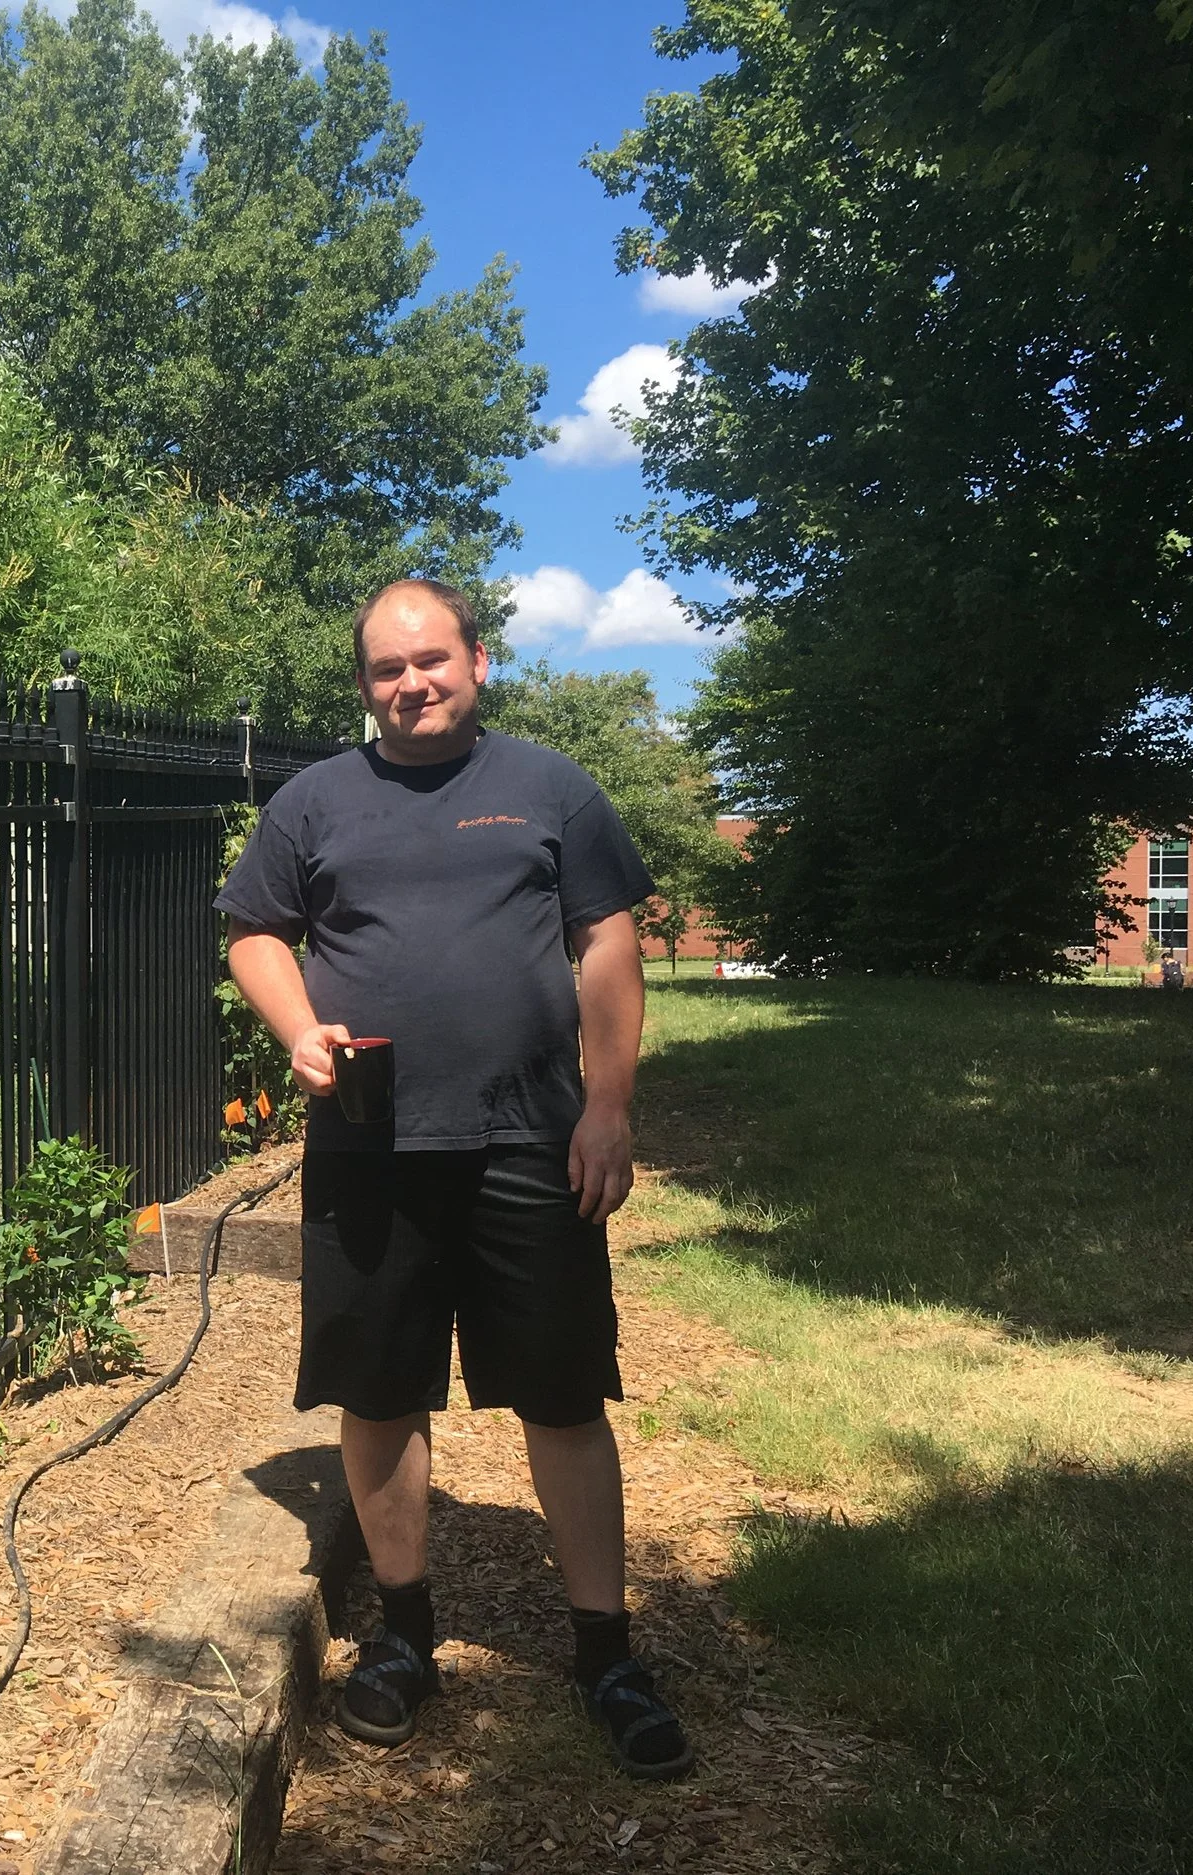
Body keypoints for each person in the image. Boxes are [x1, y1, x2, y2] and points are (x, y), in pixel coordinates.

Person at [216, 577, 692, 1779]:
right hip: (367, 1148)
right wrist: (296, 1028)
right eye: (386, 668)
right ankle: (402, 1635)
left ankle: (605, 1655)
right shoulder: (313, 801)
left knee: (563, 1396)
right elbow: (255, 931)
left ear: (478, 663)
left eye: (430, 660)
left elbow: (606, 944)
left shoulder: (550, 789)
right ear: (363, 684)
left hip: (530, 1141)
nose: (411, 684)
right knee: (378, 1394)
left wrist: (608, 1108)